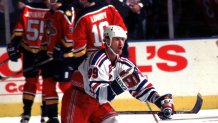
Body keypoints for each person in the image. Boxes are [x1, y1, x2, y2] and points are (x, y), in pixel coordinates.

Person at [78, 25, 175, 122]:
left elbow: (142, 87)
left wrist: (159, 101)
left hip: (96, 104)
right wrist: (119, 85)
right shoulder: (97, 61)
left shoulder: (124, 64)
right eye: (116, 39)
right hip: (79, 99)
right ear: (107, 41)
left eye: (123, 39)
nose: (121, 43)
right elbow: (100, 96)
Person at [60, 0, 128, 122]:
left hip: (85, 89)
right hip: (99, 83)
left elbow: (79, 52)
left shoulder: (82, 17)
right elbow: (123, 35)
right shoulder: (109, 8)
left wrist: (69, 61)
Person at [6, 0, 50, 123]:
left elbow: (18, 31)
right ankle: (46, 114)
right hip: (46, 51)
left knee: (30, 83)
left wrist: (14, 45)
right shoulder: (52, 9)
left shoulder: (28, 9)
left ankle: (26, 114)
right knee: (48, 84)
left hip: (29, 49)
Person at [41, 0, 76, 122]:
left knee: (65, 85)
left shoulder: (66, 11)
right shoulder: (49, 14)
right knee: (47, 84)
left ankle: (76, 111)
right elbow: (48, 36)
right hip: (51, 57)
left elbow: (70, 34)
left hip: (64, 57)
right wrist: (42, 52)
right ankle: (53, 117)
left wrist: (62, 48)